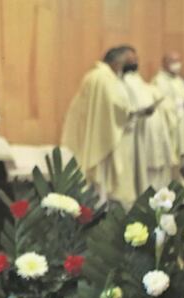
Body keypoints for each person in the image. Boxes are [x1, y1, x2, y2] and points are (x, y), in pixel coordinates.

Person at [62, 45, 152, 204]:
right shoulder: (103, 78)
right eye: (131, 61)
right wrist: (134, 112)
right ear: (118, 62)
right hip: (106, 139)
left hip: (104, 134)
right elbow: (115, 106)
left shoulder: (99, 76)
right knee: (105, 189)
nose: (134, 65)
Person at [123, 69, 177, 192]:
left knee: (159, 172)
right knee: (144, 172)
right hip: (140, 131)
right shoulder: (124, 81)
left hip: (153, 128)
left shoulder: (137, 79)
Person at [151, 52, 184, 160]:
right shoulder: (158, 81)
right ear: (164, 63)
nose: (177, 64)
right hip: (170, 125)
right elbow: (161, 103)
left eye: (178, 61)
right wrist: (182, 103)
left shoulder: (179, 81)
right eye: (172, 61)